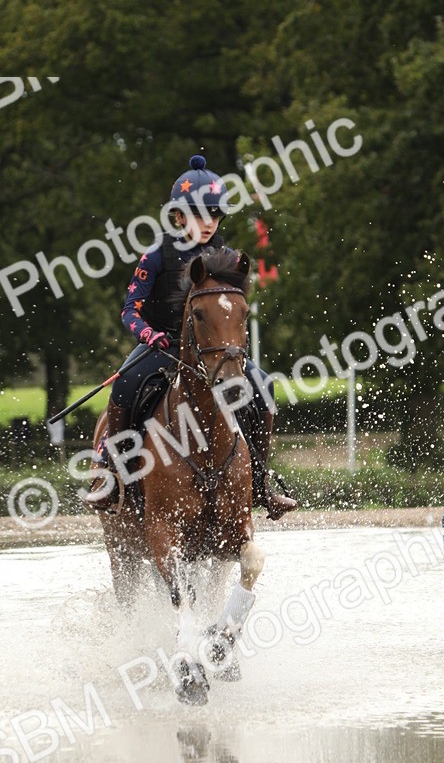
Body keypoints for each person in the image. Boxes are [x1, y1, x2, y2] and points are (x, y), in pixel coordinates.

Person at [91, 155, 297, 519]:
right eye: (201, 214)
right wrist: (149, 334)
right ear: (179, 216)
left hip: (217, 351)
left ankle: (262, 485)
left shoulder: (230, 258)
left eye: (215, 216)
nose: (209, 223)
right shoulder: (155, 255)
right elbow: (129, 310)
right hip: (161, 346)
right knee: (123, 387)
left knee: (264, 387)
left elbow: (233, 310)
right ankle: (109, 476)